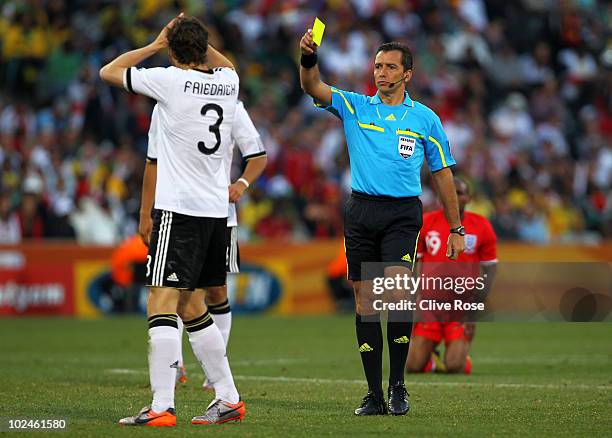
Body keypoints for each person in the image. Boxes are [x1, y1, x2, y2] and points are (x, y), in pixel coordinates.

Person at [299, 30, 465, 416]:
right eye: (377, 66)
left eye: (390, 67)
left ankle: (398, 387)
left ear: (408, 74)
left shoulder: (425, 118)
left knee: (398, 294)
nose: (382, 72)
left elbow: (442, 174)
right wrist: (308, 57)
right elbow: (312, 85)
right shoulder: (355, 106)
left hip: (402, 215)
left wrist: (456, 228)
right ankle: (374, 394)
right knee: (366, 302)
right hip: (360, 211)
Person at [100, 14, 245, 426]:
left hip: (178, 209)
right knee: (192, 302)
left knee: (161, 300)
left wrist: (156, 43)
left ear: (174, 51)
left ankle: (162, 406)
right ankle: (229, 398)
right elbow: (227, 63)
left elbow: (110, 71)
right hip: (217, 213)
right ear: (204, 49)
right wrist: (197, 41)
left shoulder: (169, 79)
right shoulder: (228, 81)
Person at [143, 101, 267, 388]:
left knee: (213, 290)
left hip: (219, 215)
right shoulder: (166, 101)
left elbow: (258, 155)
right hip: (177, 211)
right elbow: (153, 160)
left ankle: (215, 376)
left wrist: (242, 184)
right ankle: (174, 368)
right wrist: (145, 212)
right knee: (170, 291)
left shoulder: (230, 104)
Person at [407, 178, 497, 374]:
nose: (454, 197)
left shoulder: (482, 226)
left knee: (454, 366)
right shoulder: (426, 222)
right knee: (412, 366)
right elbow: (414, 267)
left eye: (459, 193)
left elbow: (490, 271)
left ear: (468, 197)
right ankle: (431, 358)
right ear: (440, 196)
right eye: (449, 192)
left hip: (461, 306)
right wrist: (414, 302)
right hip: (429, 305)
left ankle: (460, 357)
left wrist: (473, 308)